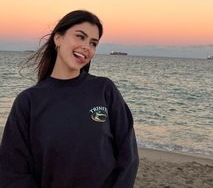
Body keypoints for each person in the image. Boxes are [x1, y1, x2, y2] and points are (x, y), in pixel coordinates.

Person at [0, 10, 139, 188]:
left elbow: (128, 155)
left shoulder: (104, 89)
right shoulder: (28, 101)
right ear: (58, 39)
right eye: (80, 37)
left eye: (93, 43)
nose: (86, 47)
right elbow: (12, 170)